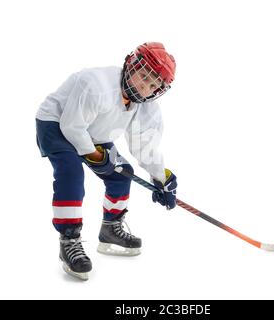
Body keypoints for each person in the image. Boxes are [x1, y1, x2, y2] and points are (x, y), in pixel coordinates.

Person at [35, 42, 178, 280]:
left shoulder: (145, 105)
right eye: (144, 76)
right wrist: (96, 156)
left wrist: (161, 177)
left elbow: (144, 145)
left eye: (153, 84)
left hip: (91, 131)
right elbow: (71, 126)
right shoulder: (96, 84)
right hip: (56, 123)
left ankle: (111, 229)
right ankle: (69, 239)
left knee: (123, 173)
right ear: (132, 64)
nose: (145, 86)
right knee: (71, 172)